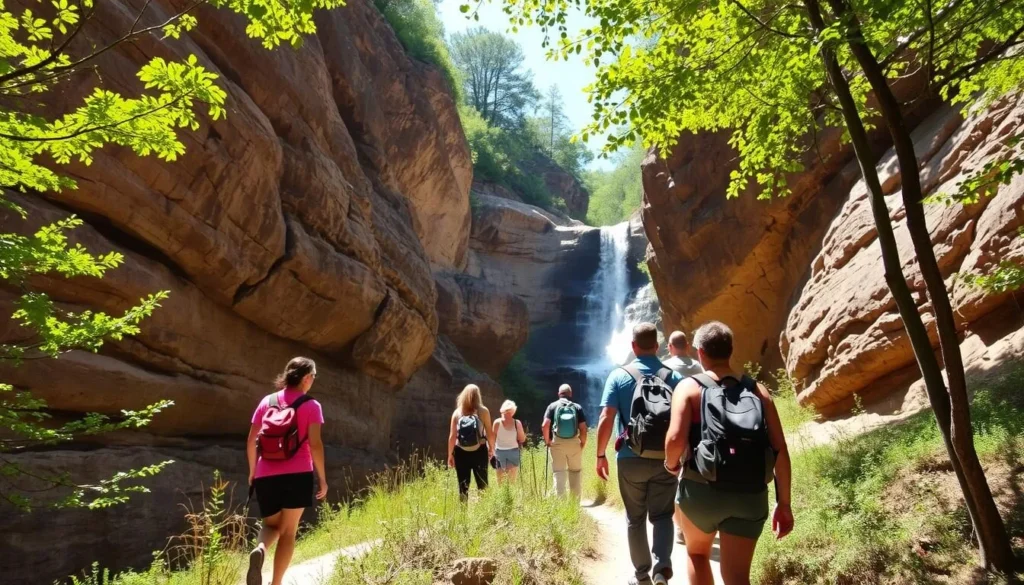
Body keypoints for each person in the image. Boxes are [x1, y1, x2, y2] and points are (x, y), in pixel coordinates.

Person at [664, 321, 794, 585]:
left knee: (698, 554)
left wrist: (670, 466)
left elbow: (676, 438)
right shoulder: (758, 391)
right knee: (737, 577)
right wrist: (784, 505)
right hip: (750, 494)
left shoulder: (689, 388)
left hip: (701, 491)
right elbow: (780, 450)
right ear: (730, 350)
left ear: (700, 352)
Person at [596, 323, 683, 585]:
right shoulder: (674, 377)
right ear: (657, 346)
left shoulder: (618, 376)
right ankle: (662, 569)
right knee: (662, 516)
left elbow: (606, 417)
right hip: (665, 459)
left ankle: (642, 575)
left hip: (630, 458)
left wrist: (600, 455)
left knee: (635, 519)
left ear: (633, 346)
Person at [246, 357, 327, 585]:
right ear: (306, 378)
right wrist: (322, 479)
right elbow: (316, 444)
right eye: (313, 376)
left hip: (265, 474)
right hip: (298, 473)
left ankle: (260, 549)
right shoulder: (311, 405)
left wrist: (253, 472)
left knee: (271, 526)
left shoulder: (266, 401)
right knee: (289, 532)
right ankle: (276, 583)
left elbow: (252, 439)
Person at [662, 330, 704, 544]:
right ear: (687, 346)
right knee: (694, 475)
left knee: (674, 477)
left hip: (673, 426)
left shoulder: (665, 367)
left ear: (669, 347)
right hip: (699, 429)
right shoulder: (699, 367)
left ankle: (680, 527)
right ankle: (699, 522)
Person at [447, 384, 495, 501]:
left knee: (463, 485)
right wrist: (491, 449)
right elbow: (489, 432)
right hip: (480, 451)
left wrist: (450, 455)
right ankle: (484, 512)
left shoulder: (457, 413)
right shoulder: (483, 411)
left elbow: (452, 436)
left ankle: (463, 514)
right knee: (482, 483)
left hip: (461, 452)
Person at [541, 384, 588, 498]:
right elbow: (583, 428)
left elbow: (545, 425)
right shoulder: (577, 407)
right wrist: (582, 443)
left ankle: (561, 504)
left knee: (559, 473)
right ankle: (574, 503)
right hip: (574, 443)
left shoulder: (552, 406)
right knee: (575, 472)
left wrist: (548, 441)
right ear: (570, 394)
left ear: (559, 394)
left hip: (557, 443)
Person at [492, 400, 526, 483]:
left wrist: (491, 452)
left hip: (499, 452)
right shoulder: (517, 423)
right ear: (513, 411)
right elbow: (522, 439)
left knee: (500, 481)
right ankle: (510, 496)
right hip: (513, 452)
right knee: (512, 481)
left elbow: (492, 439)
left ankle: (501, 495)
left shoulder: (497, 422)